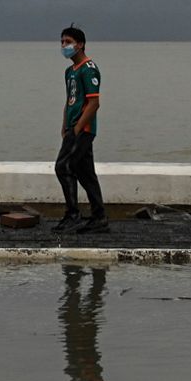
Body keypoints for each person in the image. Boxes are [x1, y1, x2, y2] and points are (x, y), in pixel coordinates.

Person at [54, 25, 107, 233]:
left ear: (80, 44)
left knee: (63, 167)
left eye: (68, 42)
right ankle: (99, 217)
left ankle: (73, 214)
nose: (64, 46)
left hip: (83, 129)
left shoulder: (89, 69)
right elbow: (69, 101)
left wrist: (77, 128)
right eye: (62, 42)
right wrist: (64, 125)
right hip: (71, 128)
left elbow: (93, 103)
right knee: (85, 173)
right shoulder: (69, 72)